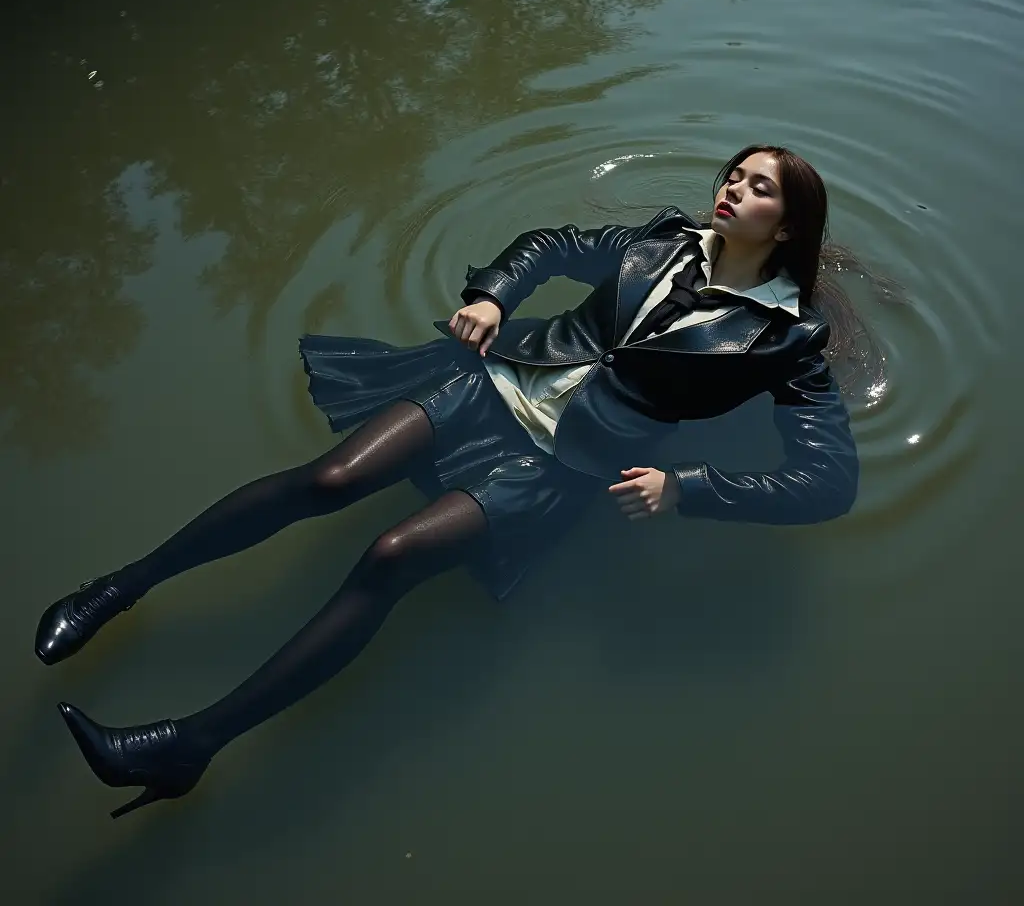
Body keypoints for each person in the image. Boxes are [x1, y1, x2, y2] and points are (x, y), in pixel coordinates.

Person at [36, 144, 881, 819]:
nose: (732, 189)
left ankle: (191, 745)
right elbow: (550, 247)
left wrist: (684, 486)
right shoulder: (659, 239)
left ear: (787, 226)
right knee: (327, 479)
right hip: (492, 380)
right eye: (733, 175)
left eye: (759, 187)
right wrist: (494, 297)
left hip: (561, 461)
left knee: (390, 556)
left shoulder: (785, 339)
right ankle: (116, 590)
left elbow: (826, 482)